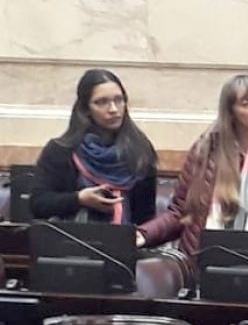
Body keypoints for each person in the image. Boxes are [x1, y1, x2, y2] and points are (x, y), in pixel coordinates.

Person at [137, 75, 248, 254]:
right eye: (245, 103)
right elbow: (180, 212)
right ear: (231, 111)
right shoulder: (205, 151)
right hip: (204, 257)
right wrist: (145, 234)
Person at [30, 69, 159, 225]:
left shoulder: (140, 150)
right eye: (101, 102)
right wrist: (79, 199)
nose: (113, 109)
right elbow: (38, 204)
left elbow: (146, 217)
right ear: (85, 109)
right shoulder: (61, 150)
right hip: (70, 243)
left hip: (125, 243)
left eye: (119, 100)